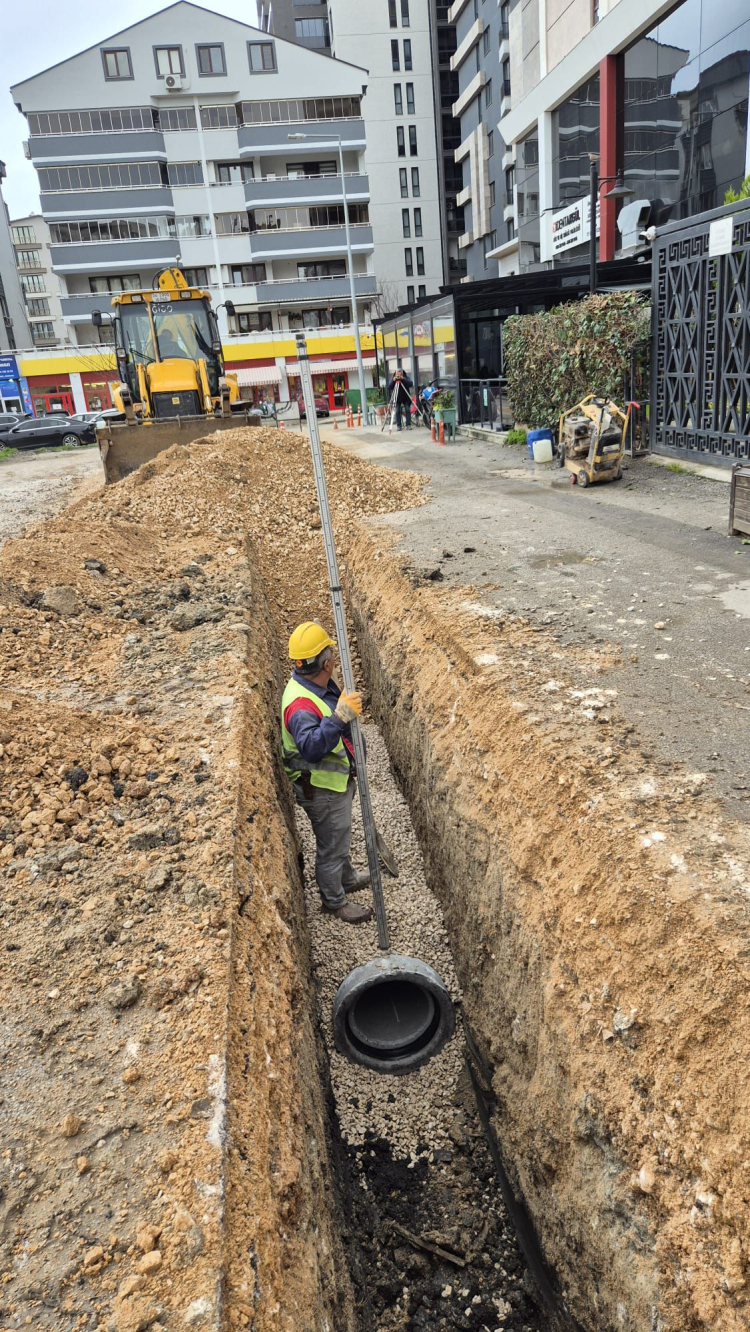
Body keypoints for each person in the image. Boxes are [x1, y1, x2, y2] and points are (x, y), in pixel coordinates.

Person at [281, 621, 374, 925]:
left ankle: (345, 877)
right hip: (321, 788)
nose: (335, 659)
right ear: (325, 662)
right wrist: (341, 716)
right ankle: (334, 901)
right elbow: (312, 747)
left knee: (340, 837)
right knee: (332, 845)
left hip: (333, 782)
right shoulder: (300, 704)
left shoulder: (315, 685)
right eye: (332, 654)